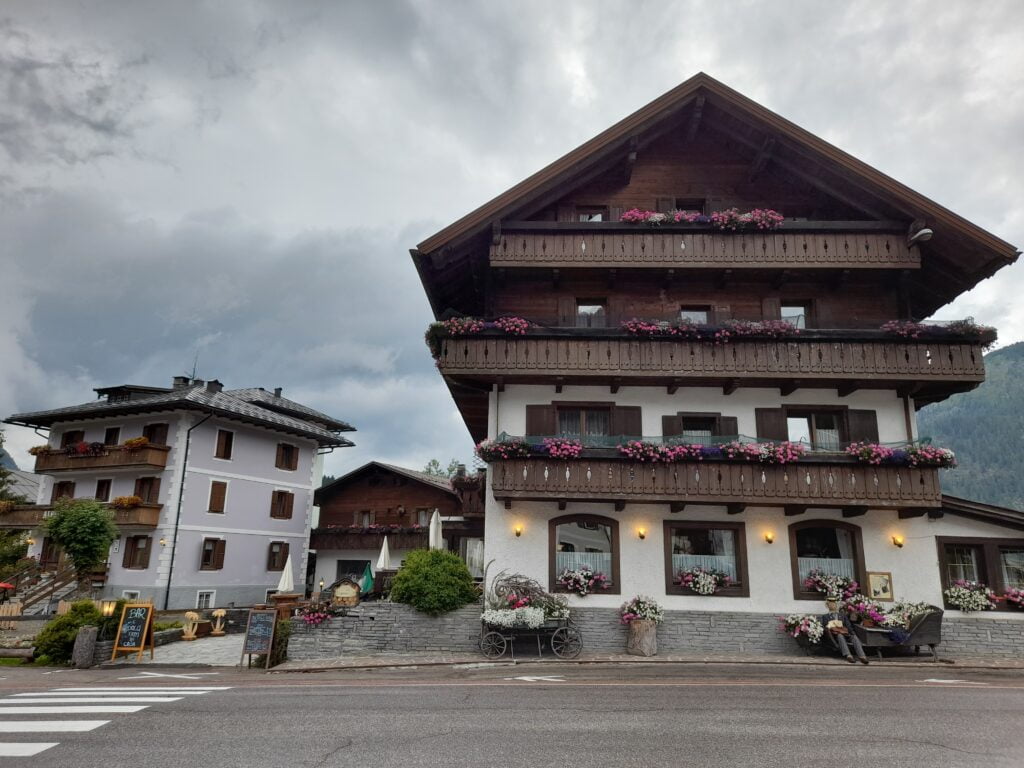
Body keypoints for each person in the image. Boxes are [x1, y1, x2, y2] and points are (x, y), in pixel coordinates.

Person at [822, 599, 869, 664]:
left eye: (834, 604)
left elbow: (848, 625)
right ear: (827, 606)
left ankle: (862, 656)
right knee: (840, 636)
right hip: (835, 634)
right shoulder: (825, 616)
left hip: (845, 632)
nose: (833, 606)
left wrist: (852, 632)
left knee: (854, 637)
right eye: (830, 604)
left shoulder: (842, 615)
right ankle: (848, 655)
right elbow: (826, 626)